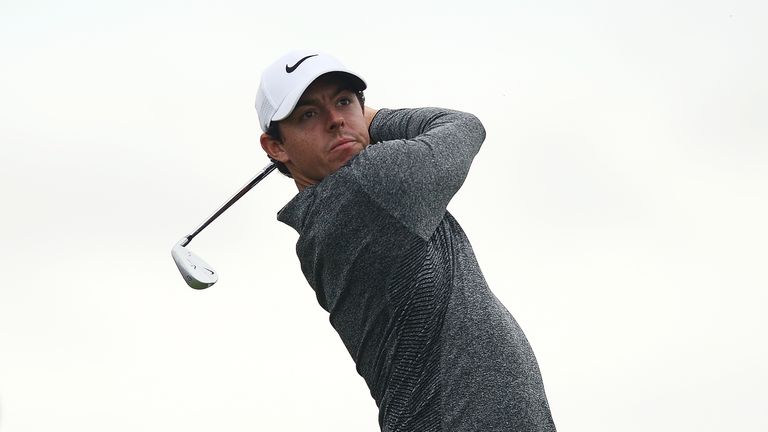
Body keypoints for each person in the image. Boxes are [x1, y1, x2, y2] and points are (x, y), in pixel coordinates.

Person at [255, 50, 556, 431]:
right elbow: (462, 127)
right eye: (308, 115)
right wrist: (373, 120)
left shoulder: (337, 206)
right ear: (276, 147)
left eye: (344, 102)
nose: (335, 120)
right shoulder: (367, 186)